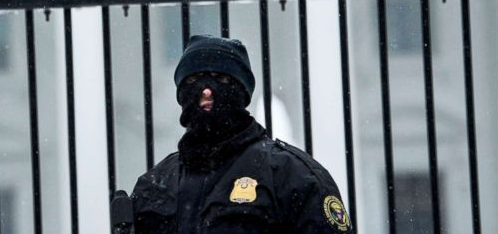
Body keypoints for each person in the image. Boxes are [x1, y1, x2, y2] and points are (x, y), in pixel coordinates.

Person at [130, 34, 353, 233]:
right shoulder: (154, 184)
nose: (206, 90)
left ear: (241, 90)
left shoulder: (291, 175)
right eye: (193, 80)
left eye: (221, 79)